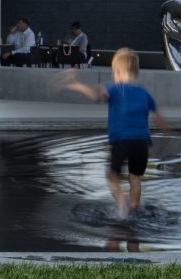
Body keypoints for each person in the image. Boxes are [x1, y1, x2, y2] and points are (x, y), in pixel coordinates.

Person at [61, 47, 168, 221]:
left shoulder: (115, 88)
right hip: (142, 141)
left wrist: (76, 84)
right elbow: (160, 118)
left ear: (117, 72)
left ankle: (121, 206)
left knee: (112, 175)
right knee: (135, 177)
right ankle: (134, 210)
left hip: (122, 140)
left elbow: (96, 96)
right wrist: (167, 136)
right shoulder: (144, 92)